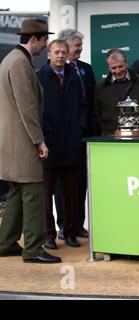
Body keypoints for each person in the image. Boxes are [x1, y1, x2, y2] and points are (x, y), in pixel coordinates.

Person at [0, 19, 61, 263]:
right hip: (23, 141)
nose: (46, 45)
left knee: (16, 192)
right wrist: (39, 140)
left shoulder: (11, 60)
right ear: (33, 39)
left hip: (12, 140)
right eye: (45, 40)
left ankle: (5, 243)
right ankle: (34, 249)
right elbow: (27, 107)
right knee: (34, 193)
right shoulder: (20, 63)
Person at [37, 39, 86, 249]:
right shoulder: (38, 77)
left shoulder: (75, 77)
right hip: (47, 146)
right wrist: (41, 136)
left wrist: (77, 132)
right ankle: (49, 235)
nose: (60, 56)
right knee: (45, 196)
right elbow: (34, 108)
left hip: (71, 145)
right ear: (48, 54)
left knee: (72, 193)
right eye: (56, 52)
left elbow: (82, 107)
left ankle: (70, 232)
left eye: (63, 52)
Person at [56, 29, 98, 241]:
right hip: (64, 136)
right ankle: (63, 225)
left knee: (80, 181)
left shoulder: (86, 69)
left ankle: (78, 224)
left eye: (80, 46)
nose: (80, 50)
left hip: (85, 133)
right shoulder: (58, 71)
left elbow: (91, 102)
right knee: (62, 182)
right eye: (77, 47)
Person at [95, 48, 139, 135]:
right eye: (113, 68)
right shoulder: (100, 87)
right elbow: (98, 113)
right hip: (110, 136)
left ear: (126, 63)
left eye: (120, 66)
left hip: (138, 135)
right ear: (108, 67)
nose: (118, 71)